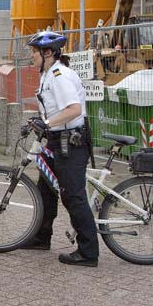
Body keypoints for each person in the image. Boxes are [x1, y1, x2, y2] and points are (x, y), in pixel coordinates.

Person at [22, 31, 98, 267]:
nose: (31, 57)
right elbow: (54, 108)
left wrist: (48, 123)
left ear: (48, 53)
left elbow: (74, 109)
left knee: (73, 195)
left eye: (34, 52)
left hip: (71, 142)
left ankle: (88, 253)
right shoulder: (47, 74)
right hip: (57, 139)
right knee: (45, 186)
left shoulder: (59, 75)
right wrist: (42, 120)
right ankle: (41, 236)